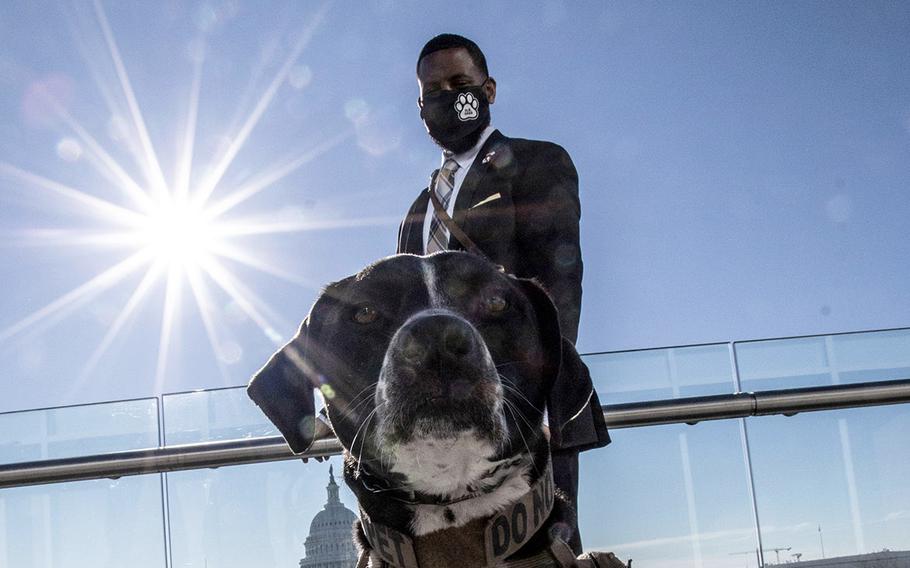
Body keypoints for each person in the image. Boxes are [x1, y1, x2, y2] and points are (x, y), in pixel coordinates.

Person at [396, 33, 610, 554]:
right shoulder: (417, 212)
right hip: (432, 427)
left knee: (538, 554)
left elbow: (559, 283)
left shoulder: (536, 164)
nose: (447, 98)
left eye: (460, 84)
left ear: (488, 89)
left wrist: (537, 394)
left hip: (517, 409)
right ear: (420, 107)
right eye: (432, 91)